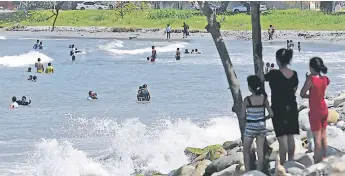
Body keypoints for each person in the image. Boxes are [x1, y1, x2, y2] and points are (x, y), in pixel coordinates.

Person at [264, 48, 299, 165]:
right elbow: (294, 90)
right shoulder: (294, 74)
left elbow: (261, 78)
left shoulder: (273, 74)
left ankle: (283, 164)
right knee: (290, 136)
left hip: (278, 108)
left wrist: (261, 65)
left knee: (281, 139)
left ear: (278, 60)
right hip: (291, 107)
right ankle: (291, 161)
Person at [300, 57, 329, 163]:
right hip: (324, 109)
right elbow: (319, 91)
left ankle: (317, 162)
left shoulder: (311, 79)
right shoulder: (325, 79)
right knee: (323, 137)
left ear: (311, 67)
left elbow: (302, 93)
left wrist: (307, 79)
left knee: (317, 139)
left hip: (315, 112)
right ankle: (325, 159)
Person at [241, 75, 273, 172]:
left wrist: (250, 119)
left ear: (250, 87)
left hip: (250, 127)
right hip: (261, 127)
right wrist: (263, 118)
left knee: (246, 151)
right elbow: (271, 114)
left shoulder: (247, 100)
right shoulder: (264, 98)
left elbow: (242, 116)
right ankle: (258, 171)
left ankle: (247, 171)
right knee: (260, 151)